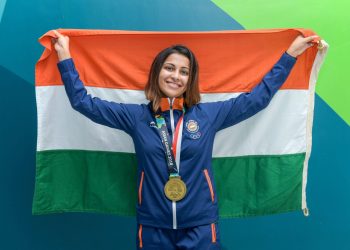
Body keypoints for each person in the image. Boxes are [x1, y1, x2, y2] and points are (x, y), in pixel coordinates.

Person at [52, 30, 317, 250]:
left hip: (201, 226)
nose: (175, 76)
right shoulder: (135, 117)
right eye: (169, 68)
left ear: (190, 79)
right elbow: (83, 103)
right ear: (157, 72)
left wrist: (290, 55)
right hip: (153, 226)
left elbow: (257, 99)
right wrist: (64, 55)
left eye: (183, 71)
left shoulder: (208, 115)